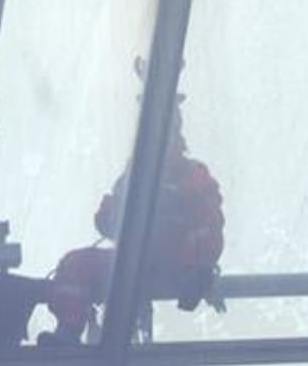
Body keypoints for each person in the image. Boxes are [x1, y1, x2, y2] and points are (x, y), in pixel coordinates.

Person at [37, 115, 224, 346]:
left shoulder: (193, 174)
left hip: (177, 267)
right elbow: (107, 218)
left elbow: (209, 224)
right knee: (75, 264)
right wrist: (116, 212)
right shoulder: (134, 172)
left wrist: (199, 268)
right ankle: (68, 332)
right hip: (132, 261)